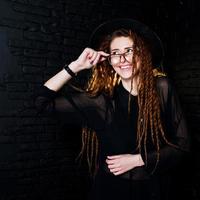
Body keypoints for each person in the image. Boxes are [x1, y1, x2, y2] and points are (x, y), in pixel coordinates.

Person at [35, 18, 190, 200]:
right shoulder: (102, 101)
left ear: (142, 54)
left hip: (154, 190)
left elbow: (183, 145)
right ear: (109, 60)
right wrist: (77, 66)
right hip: (111, 191)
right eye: (115, 53)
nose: (122, 59)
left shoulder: (162, 88)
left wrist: (138, 159)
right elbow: (41, 102)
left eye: (129, 51)